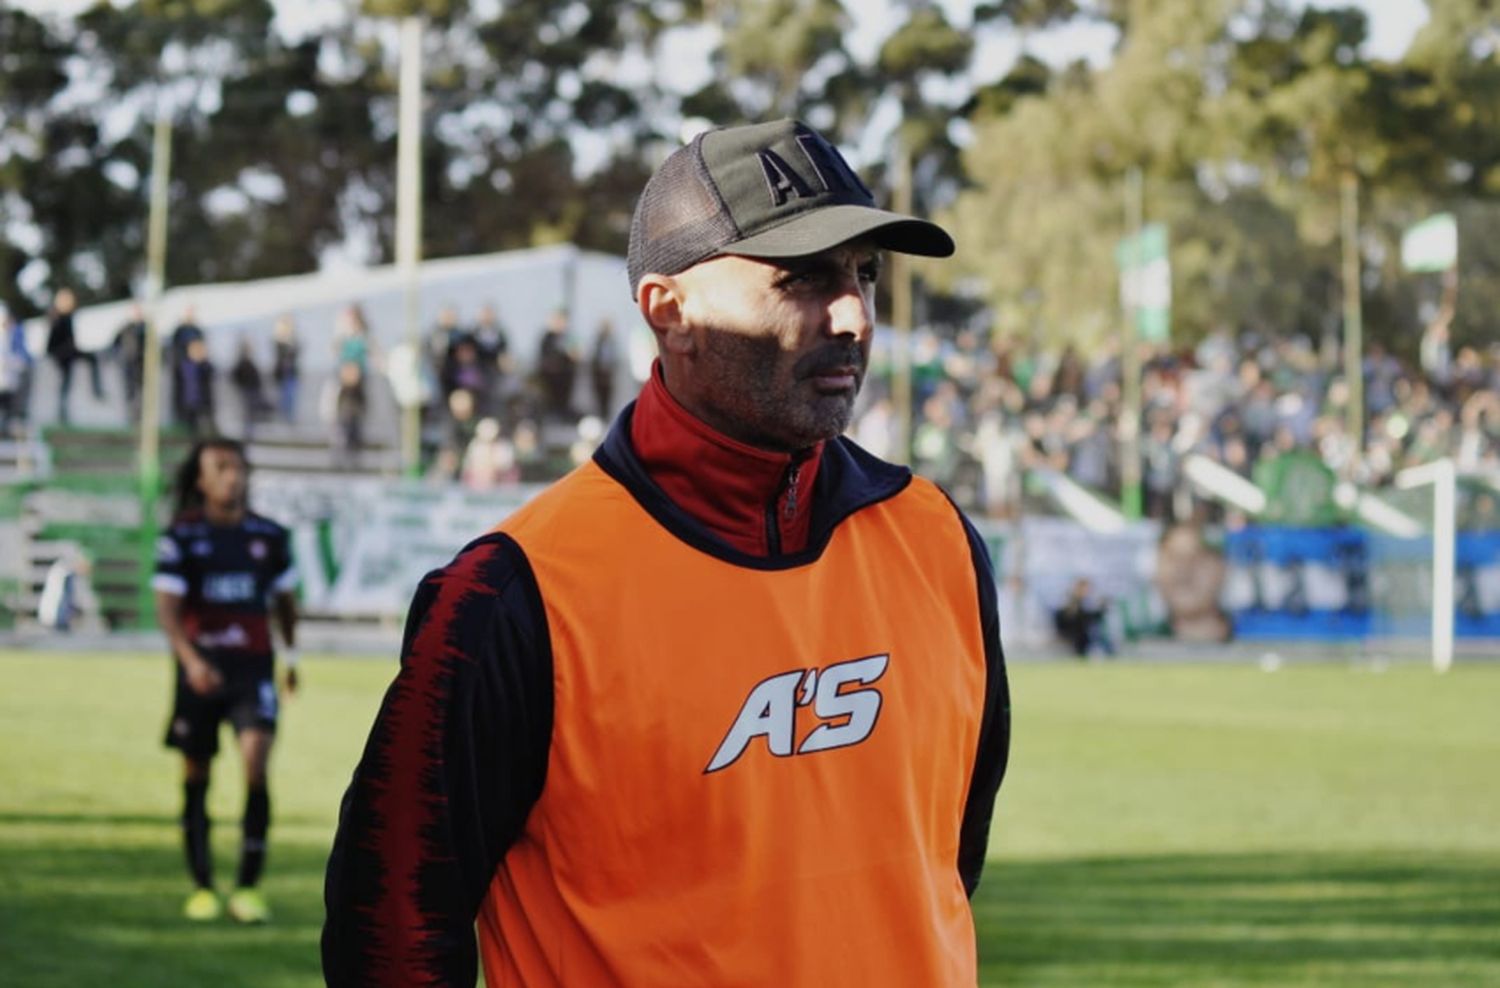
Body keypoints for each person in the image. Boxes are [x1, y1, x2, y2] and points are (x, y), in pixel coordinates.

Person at [323, 119, 1011, 987]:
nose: (852, 315)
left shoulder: (938, 538)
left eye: (862, 274)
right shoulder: (514, 591)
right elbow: (390, 931)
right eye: (801, 278)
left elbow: (945, 866)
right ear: (668, 309)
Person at [153, 437, 299, 924]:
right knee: (198, 773)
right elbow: (168, 611)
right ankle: (202, 885)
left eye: (236, 467)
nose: (231, 477)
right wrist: (191, 661)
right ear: (200, 479)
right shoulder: (181, 536)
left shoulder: (269, 537)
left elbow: (285, 602)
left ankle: (248, 887)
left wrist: (291, 656)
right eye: (219, 468)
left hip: (252, 668)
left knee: (256, 766)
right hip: (201, 672)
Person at [46, 288, 104, 424]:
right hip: (61, 353)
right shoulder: (56, 317)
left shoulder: (69, 316)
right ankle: (62, 411)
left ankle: (96, 390)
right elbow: (52, 341)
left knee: (92, 359)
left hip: (69, 351)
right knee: (65, 382)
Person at [1053, 576, 1115, 658]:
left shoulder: (1088, 601)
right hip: (1073, 634)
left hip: (1087, 633)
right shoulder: (1071, 602)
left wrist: (1102, 609)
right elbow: (1066, 619)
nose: (1086, 591)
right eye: (1084, 588)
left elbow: (1093, 617)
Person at [112, 302, 147, 421]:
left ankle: (141, 418)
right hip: (129, 363)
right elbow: (114, 345)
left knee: (142, 392)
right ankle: (131, 417)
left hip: (142, 364)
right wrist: (119, 357)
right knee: (130, 392)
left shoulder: (146, 328)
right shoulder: (125, 328)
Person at [271, 314, 301, 424]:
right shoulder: (278, 342)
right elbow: (280, 355)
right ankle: (283, 419)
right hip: (281, 375)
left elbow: (296, 352)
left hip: (291, 375)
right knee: (282, 399)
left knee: (291, 399)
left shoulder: (293, 340)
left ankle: (290, 420)